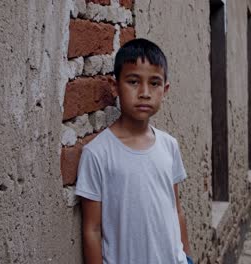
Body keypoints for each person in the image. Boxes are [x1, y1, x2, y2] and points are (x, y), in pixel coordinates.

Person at [75, 38, 193, 264]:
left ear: (165, 89)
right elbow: (92, 229)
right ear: (115, 86)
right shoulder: (97, 154)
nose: (145, 93)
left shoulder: (169, 146)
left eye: (155, 83)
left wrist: (187, 257)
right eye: (133, 81)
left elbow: (176, 210)